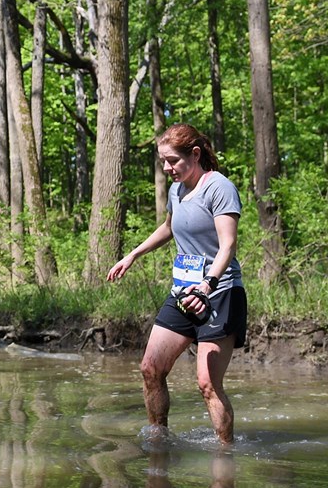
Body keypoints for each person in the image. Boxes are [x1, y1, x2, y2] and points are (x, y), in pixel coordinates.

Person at [107, 123, 247, 445]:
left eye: (173, 160)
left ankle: (225, 454)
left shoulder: (219, 187)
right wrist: (133, 255)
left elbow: (228, 245)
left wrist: (207, 286)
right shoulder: (177, 190)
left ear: (195, 154)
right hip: (183, 292)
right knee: (150, 368)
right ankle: (159, 443)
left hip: (220, 292)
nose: (167, 168)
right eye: (163, 162)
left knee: (207, 384)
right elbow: (169, 227)